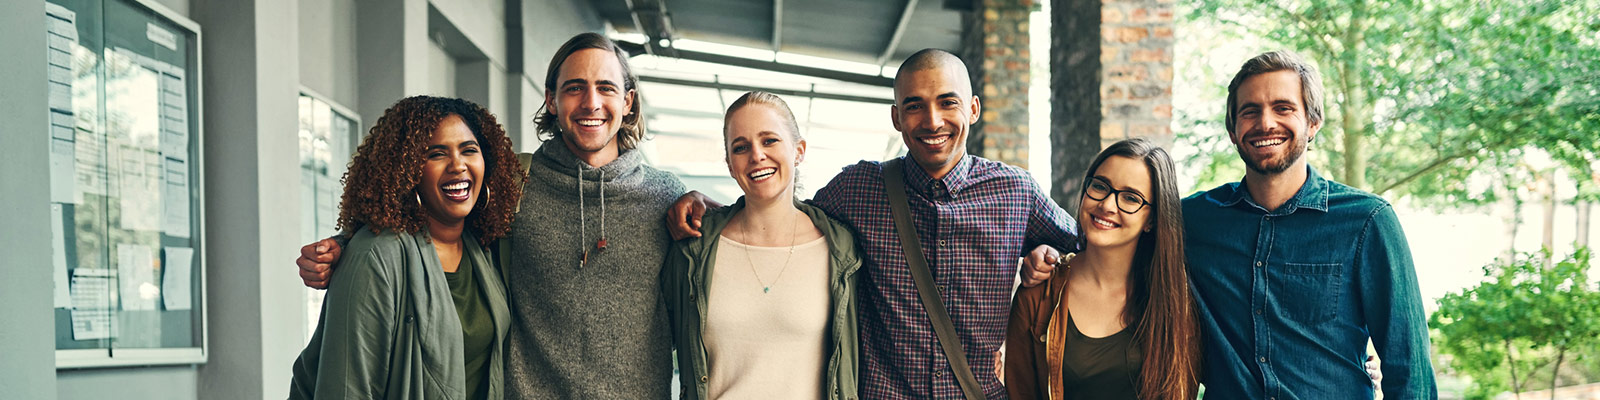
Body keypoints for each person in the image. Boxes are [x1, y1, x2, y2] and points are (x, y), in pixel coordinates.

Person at [1023, 51, 1436, 399]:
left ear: (1313, 123)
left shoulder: (1367, 221)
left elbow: (1409, 370)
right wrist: (1052, 252)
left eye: (1284, 108)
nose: (1265, 123)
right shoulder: (1191, 222)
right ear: (1233, 130)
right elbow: (1114, 231)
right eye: (1250, 111)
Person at [669, 49, 1079, 399]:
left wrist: (1053, 256)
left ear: (972, 108)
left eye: (947, 102)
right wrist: (712, 209)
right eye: (915, 105)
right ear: (897, 117)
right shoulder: (859, 189)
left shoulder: (1015, 193)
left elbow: (1094, 249)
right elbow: (779, 216)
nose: (932, 121)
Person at [296, 33, 687, 399]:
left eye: (606, 88)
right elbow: (423, 212)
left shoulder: (666, 197)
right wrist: (345, 244)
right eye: (574, 88)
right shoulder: (514, 183)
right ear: (551, 100)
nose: (590, 103)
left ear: (629, 101)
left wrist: (716, 209)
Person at [288, 96, 522, 399]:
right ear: (408, 169)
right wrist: (345, 243)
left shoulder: (485, 248)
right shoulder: (376, 256)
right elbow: (347, 387)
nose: (458, 165)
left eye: (469, 150)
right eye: (437, 154)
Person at [661, 91, 863, 399]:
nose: (756, 155)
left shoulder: (842, 251)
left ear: (799, 151)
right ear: (730, 164)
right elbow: (656, 344)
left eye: (769, 140)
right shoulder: (694, 249)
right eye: (741, 147)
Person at [1005, 138, 1199, 400]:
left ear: (1151, 219)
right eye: (1100, 186)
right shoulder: (1038, 294)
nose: (1107, 205)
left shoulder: (1175, 301)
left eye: (1131, 198)